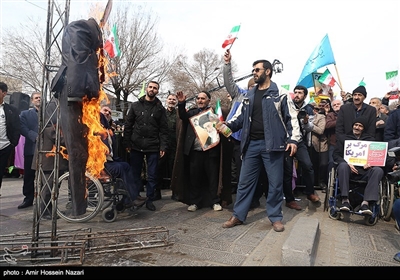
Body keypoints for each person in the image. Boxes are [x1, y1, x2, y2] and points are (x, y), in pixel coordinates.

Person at [221, 58, 301, 232]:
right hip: (251, 145)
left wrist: (293, 140)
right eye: (253, 70)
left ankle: (275, 217)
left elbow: (292, 119)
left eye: (257, 70)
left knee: (275, 183)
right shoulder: (249, 95)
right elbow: (240, 118)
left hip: (273, 146)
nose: (254, 73)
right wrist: (227, 125)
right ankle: (238, 215)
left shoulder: (280, 93)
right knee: (244, 183)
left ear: (268, 71)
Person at [123, 81, 169, 212]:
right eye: (150, 87)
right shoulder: (135, 106)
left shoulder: (160, 109)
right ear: (146, 89)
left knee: (152, 175)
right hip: (136, 145)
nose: (152, 89)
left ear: (157, 91)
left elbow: (163, 130)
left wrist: (163, 147)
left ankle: (150, 199)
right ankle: (135, 197)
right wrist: (127, 143)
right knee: (134, 173)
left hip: (153, 146)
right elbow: (128, 125)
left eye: (155, 88)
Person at [176, 90, 223, 212]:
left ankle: (215, 202)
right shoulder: (192, 113)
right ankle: (195, 202)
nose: (200, 100)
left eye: (203, 98)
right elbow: (182, 116)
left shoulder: (214, 114)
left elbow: (221, 127)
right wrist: (181, 103)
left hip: (210, 151)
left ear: (208, 100)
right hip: (195, 151)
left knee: (212, 178)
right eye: (198, 98)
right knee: (194, 178)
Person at [333, 116, 383, 214]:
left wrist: (371, 163)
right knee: (342, 166)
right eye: (356, 125)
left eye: (360, 126)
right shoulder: (344, 139)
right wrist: (347, 163)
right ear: (352, 126)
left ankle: (365, 203)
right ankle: (345, 201)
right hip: (348, 169)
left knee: (378, 170)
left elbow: (376, 157)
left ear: (363, 128)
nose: (357, 127)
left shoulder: (371, 140)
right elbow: (336, 155)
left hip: (365, 171)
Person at [100, 105, 146, 209]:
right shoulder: (96, 128)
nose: (107, 113)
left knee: (126, 165)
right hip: (100, 163)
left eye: (109, 112)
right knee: (121, 168)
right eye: (105, 110)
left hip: (110, 160)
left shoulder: (108, 129)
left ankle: (130, 198)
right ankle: (132, 198)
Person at [286, 85, 321, 204]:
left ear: (305, 95)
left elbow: (310, 128)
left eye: (300, 93)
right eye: (295, 92)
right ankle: (289, 198)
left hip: (301, 141)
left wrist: (305, 121)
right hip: (287, 141)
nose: (296, 95)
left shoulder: (309, 109)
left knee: (308, 166)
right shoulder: (287, 105)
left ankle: (310, 192)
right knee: (287, 170)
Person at [18, 92, 41, 209]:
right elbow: (22, 128)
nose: (38, 99)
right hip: (31, 148)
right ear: (32, 101)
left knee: (44, 176)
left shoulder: (50, 113)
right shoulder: (25, 114)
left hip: (46, 149)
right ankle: (28, 199)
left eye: (40, 98)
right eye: (36, 98)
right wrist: (35, 136)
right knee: (28, 176)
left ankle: (44, 200)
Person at [154, 93, 179, 201]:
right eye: (170, 99)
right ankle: (156, 192)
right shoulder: (161, 112)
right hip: (162, 145)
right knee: (158, 169)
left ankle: (176, 192)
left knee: (175, 169)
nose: (172, 101)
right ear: (166, 100)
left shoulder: (179, 114)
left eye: (174, 99)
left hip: (175, 145)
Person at [0, 82, 21, 194]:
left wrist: (12, 143)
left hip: (4, 147)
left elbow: (16, 128)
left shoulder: (11, 110)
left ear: (4, 93)